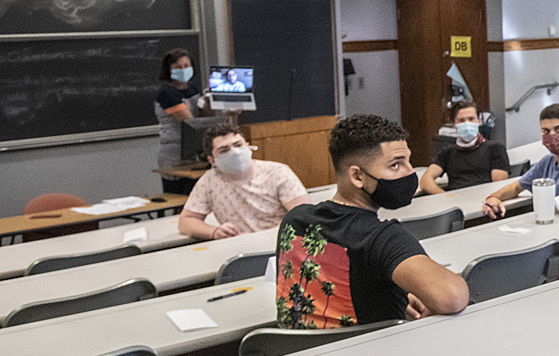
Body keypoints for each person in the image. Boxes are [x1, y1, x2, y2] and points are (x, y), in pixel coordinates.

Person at [276, 114, 468, 331]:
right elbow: (452, 297)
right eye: (395, 165)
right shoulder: (383, 237)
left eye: (408, 160)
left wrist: (397, 293)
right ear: (357, 176)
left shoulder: (294, 220)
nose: (410, 172)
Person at [178, 122, 311, 240]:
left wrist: (273, 234)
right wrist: (214, 232)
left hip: (281, 241)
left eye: (238, 145)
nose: (234, 152)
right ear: (212, 160)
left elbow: (303, 215)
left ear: (247, 146)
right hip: (238, 246)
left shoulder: (278, 172)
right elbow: (186, 221)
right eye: (224, 150)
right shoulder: (208, 181)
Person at [482, 103, 559, 219]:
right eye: (546, 131)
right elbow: (516, 187)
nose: (552, 135)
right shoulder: (548, 161)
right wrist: (494, 197)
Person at [419, 101, 510, 195]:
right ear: (454, 124)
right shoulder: (448, 152)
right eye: (461, 120)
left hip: (485, 201)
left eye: (471, 119)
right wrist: (445, 196)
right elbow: (425, 180)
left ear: (478, 121)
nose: (467, 124)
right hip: (455, 202)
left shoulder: (495, 149)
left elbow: (499, 187)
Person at [154, 48, 206, 195]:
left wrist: (210, 101)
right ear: (169, 70)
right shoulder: (166, 93)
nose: (183, 70)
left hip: (193, 152)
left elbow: (203, 118)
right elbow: (189, 121)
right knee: (178, 196)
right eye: (178, 67)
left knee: (195, 194)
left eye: (186, 66)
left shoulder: (193, 88)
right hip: (173, 154)